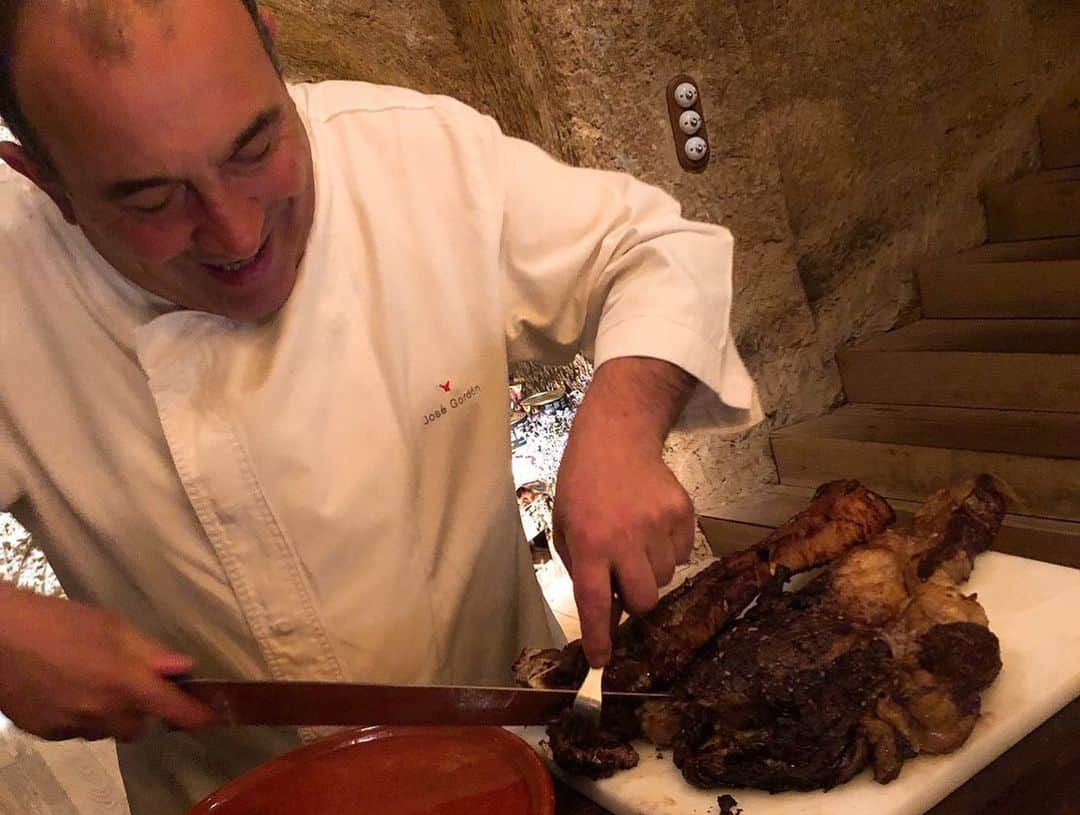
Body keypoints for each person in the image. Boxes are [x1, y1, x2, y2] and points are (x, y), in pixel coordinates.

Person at [0, 0, 758, 810]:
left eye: (255, 147)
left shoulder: (413, 158)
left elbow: (652, 251)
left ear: (271, 52)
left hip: (524, 765)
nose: (238, 232)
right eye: (154, 200)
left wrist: (622, 425)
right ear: (46, 181)